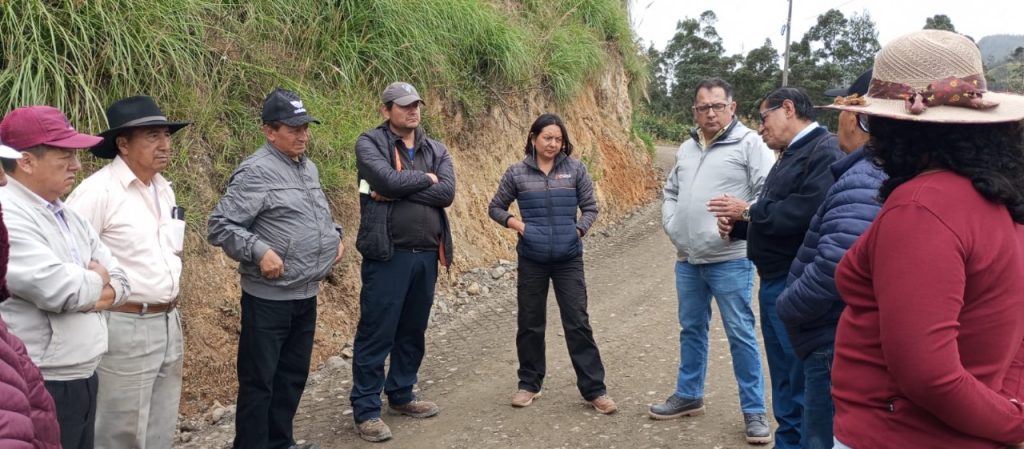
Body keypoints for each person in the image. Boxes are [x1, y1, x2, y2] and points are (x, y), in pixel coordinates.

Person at [823, 29, 1024, 449]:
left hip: (897, 435)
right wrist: (1010, 406)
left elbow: (927, 374)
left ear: (893, 128)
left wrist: (1013, 424)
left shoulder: (920, 207)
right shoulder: (999, 197)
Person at [709, 87, 844, 449]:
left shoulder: (823, 150)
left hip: (795, 282)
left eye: (763, 117)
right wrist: (739, 227)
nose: (760, 127)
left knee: (801, 380)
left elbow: (805, 212)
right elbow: (777, 215)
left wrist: (748, 211)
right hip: (773, 282)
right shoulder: (790, 154)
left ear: (787, 108)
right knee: (784, 380)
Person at [208, 88, 343, 449]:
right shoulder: (256, 172)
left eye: (306, 127)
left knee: (291, 377)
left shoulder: (307, 167)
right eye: (294, 129)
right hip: (269, 299)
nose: (303, 135)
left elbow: (314, 214)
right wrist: (259, 251)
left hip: (305, 292)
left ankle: (280, 443)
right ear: (269, 131)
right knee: (260, 382)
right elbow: (220, 225)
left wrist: (335, 235)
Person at [649, 78, 773, 444]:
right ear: (694, 111)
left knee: (740, 334)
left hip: (730, 258)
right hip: (688, 258)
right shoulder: (687, 147)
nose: (711, 113)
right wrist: (672, 224)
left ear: (732, 108)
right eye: (703, 107)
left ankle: (754, 411)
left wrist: (743, 214)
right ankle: (689, 394)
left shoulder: (750, 144)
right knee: (691, 329)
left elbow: (769, 192)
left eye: (718, 106)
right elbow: (671, 191)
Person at [0, 106, 131, 449]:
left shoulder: (66, 213)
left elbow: (122, 280)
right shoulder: (7, 214)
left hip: (82, 372)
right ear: (27, 162)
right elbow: (60, 290)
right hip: (40, 378)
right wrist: (98, 281)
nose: (77, 166)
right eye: (66, 156)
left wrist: (94, 285)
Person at [66, 95, 190, 449]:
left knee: (160, 426)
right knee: (119, 431)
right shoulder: (98, 193)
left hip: (168, 320)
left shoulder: (163, 189)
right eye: (152, 136)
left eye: (166, 135)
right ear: (122, 144)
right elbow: (69, 259)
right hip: (124, 323)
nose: (164, 144)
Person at [774, 70, 885, 449]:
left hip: (829, 335)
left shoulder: (863, 179)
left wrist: (787, 306)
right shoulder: (870, 173)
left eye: (843, 110)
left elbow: (834, 266)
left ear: (858, 117)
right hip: (833, 332)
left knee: (820, 436)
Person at [488, 113, 617, 416]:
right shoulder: (517, 173)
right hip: (531, 258)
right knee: (530, 322)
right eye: (547, 137)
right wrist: (520, 226)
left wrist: (577, 231)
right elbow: (495, 207)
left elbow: (590, 208)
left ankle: (594, 390)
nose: (553, 144)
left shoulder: (575, 169)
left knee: (577, 322)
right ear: (533, 138)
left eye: (558, 139)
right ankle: (529, 384)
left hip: (568, 258)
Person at [349, 81, 455, 443]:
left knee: (412, 329)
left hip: (426, 254)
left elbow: (447, 192)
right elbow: (384, 180)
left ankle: (402, 393)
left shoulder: (435, 148)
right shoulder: (370, 142)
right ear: (386, 110)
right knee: (377, 330)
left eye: (416, 105)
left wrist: (397, 189)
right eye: (405, 105)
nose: (413, 110)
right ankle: (366, 409)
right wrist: (424, 179)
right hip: (387, 255)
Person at [1, 142, 62, 449]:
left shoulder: (9, 343)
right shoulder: (13, 211)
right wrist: (98, 281)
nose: (3, 180)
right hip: (55, 364)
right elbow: (60, 288)